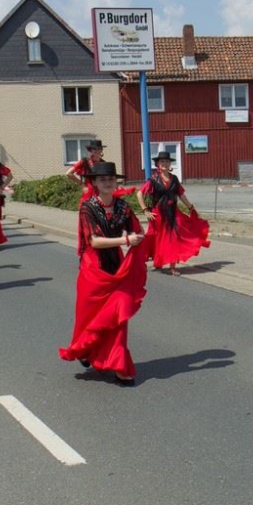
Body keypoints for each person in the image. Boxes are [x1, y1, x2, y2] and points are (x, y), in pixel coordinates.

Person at [59, 162, 149, 383]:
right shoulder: (87, 208)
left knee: (118, 315)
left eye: (111, 179)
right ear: (95, 183)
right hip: (94, 270)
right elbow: (94, 241)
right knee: (90, 317)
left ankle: (118, 364)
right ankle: (87, 350)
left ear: (116, 182)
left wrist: (140, 238)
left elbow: (138, 229)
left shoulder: (123, 206)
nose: (107, 182)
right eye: (102, 180)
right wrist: (126, 240)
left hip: (117, 267)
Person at [136, 149, 209, 275]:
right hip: (158, 214)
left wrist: (190, 207)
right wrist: (145, 210)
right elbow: (139, 193)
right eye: (162, 161)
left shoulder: (174, 179)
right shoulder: (153, 179)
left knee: (174, 238)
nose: (164, 163)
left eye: (167, 161)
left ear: (170, 164)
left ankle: (172, 266)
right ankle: (158, 262)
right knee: (159, 239)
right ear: (158, 164)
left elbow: (181, 195)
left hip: (173, 212)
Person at [65, 139, 106, 204]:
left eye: (99, 148)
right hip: (89, 191)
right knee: (88, 212)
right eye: (94, 149)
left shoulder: (104, 163)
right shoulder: (84, 162)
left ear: (101, 150)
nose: (97, 150)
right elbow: (68, 173)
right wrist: (82, 185)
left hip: (102, 192)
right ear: (91, 150)